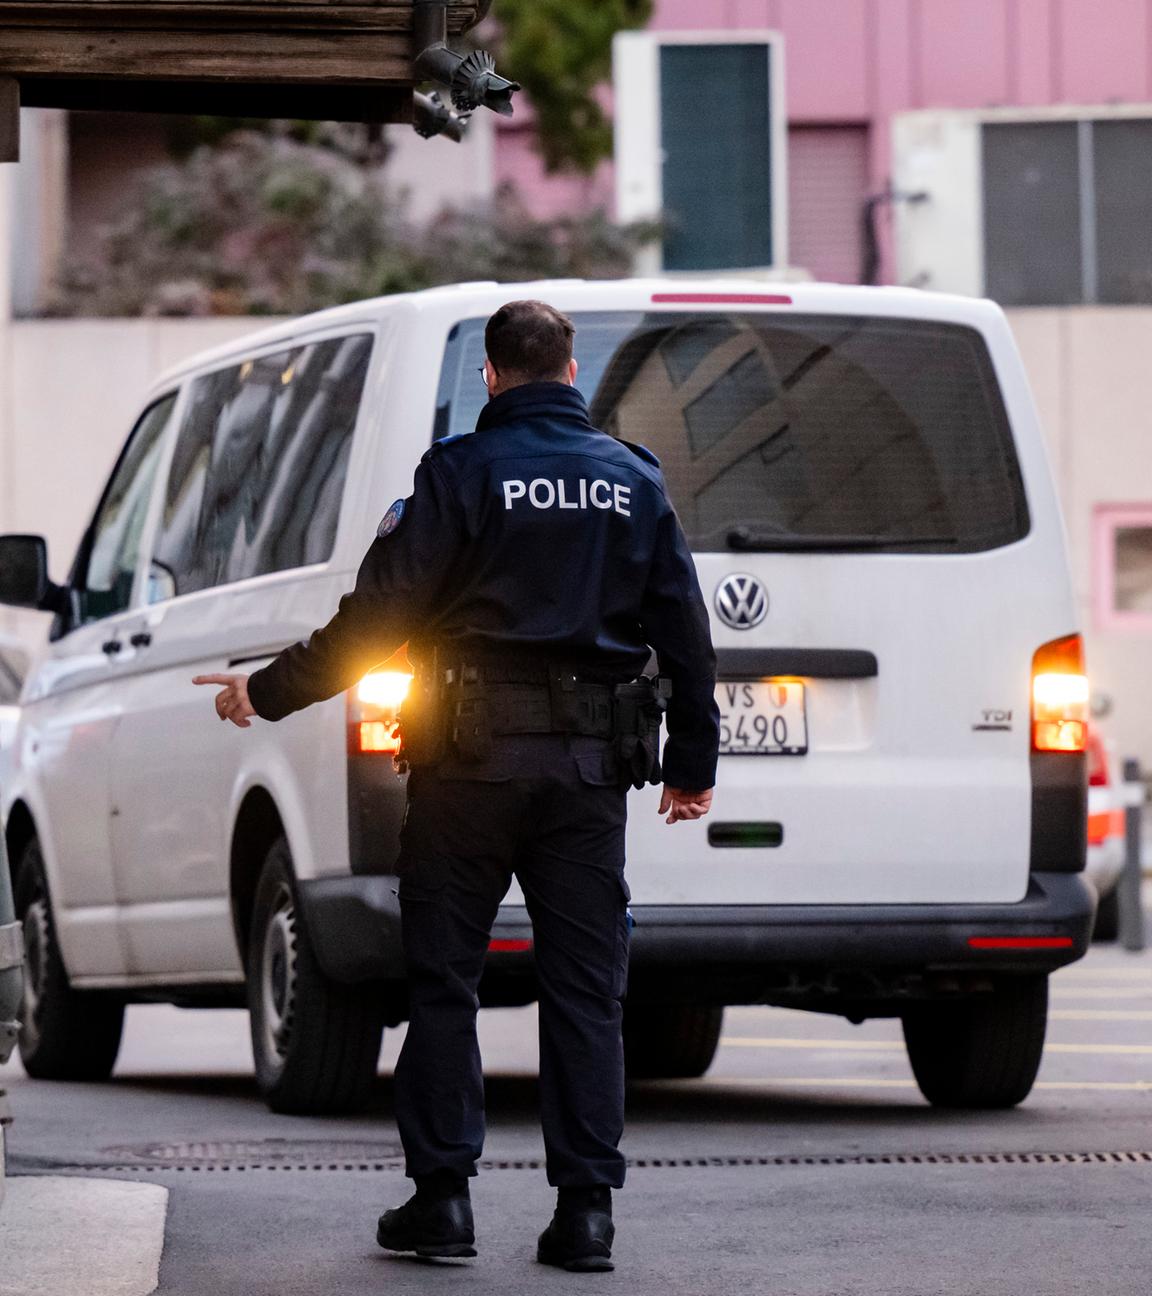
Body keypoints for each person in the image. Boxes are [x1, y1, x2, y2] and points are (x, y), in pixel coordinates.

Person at [194, 299, 719, 1272]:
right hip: (586, 780)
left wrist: (262, 694)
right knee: (584, 993)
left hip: (467, 771)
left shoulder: (458, 476)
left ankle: (442, 1203)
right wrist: (692, 766)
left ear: (491, 377)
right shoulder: (634, 483)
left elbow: (372, 624)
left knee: (444, 982)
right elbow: (686, 632)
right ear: (570, 373)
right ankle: (585, 1216)